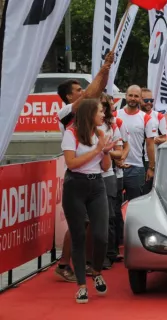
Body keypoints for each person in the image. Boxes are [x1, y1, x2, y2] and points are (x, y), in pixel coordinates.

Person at [54, 51, 114, 281]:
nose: (83, 92)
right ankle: (63, 264)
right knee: (78, 225)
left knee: (89, 225)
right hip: (75, 175)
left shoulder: (88, 115)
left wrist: (107, 69)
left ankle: (84, 263)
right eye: (78, 90)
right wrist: (103, 67)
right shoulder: (65, 114)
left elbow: (96, 91)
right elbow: (92, 92)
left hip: (93, 176)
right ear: (70, 98)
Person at [61, 99, 119, 303]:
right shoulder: (71, 134)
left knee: (101, 235)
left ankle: (96, 272)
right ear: (89, 114)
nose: (104, 115)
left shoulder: (101, 134)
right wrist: (97, 151)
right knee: (78, 237)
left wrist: (105, 152)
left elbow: (105, 167)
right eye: (100, 112)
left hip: (97, 186)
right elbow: (71, 163)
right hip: (75, 186)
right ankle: (81, 286)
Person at [98, 93, 129, 268]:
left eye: (106, 105)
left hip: (109, 175)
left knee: (109, 217)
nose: (103, 109)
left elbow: (121, 150)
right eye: (101, 105)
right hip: (88, 176)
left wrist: (104, 151)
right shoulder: (85, 124)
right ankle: (93, 257)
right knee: (92, 220)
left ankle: (108, 254)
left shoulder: (112, 124)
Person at [113, 85, 157, 200]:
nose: (133, 98)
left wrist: (151, 168)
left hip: (136, 167)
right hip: (116, 167)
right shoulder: (115, 115)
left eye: (136, 96)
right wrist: (116, 159)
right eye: (130, 95)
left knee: (135, 202)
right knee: (114, 204)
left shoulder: (146, 118)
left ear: (140, 98)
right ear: (126, 96)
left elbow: (150, 145)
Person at [140, 88, 167, 195]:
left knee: (149, 191)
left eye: (151, 100)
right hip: (134, 160)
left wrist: (153, 139)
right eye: (146, 100)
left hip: (151, 160)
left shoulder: (158, 116)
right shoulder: (133, 115)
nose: (149, 103)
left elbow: (165, 138)